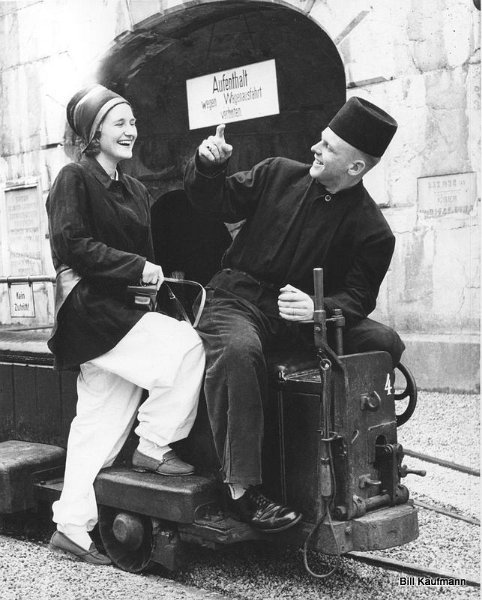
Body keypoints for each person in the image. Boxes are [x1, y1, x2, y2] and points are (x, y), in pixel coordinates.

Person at [184, 96, 405, 533]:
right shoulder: (278, 174)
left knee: (384, 342)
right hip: (236, 299)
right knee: (239, 351)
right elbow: (218, 202)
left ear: (356, 168)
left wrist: (319, 309)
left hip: (298, 319)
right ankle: (242, 491)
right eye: (320, 140)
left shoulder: (374, 230)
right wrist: (209, 167)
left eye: (327, 146)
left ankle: (368, 456)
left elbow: (359, 298)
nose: (314, 150)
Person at [46, 85, 205, 565]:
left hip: (123, 312)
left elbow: (147, 254)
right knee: (189, 347)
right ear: (94, 133)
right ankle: (155, 444)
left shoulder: (135, 189)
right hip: (93, 312)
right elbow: (72, 243)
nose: (131, 130)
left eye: (134, 122)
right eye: (120, 122)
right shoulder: (73, 178)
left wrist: (149, 279)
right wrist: (135, 268)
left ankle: (70, 527)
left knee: (99, 422)